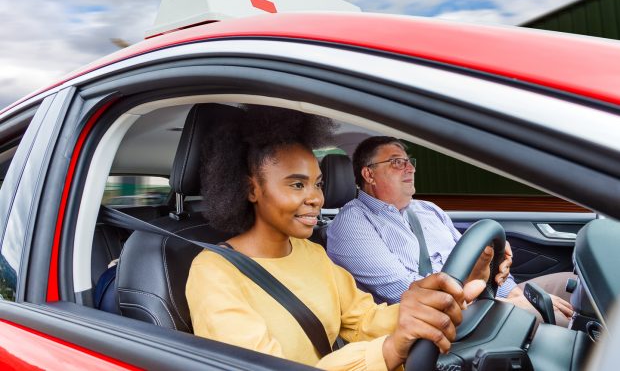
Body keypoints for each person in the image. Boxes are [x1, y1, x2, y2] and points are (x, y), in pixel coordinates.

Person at [186, 107, 498, 371]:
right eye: (297, 185)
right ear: (251, 189)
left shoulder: (312, 254)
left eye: (317, 184)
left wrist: (426, 302)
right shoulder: (214, 272)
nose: (315, 198)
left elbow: (364, 319)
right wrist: (388, 350)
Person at [326, 136, 574, 327]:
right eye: (397, 163)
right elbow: (406, 293)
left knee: (573, 286)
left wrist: (513, 291)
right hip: (436, 321)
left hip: (477, 299)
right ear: (369, 174)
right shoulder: (352, 224)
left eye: (409, 162)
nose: (410, 169)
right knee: (562, 319)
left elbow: (472, 257)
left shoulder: (428, 210)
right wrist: (507, 303)